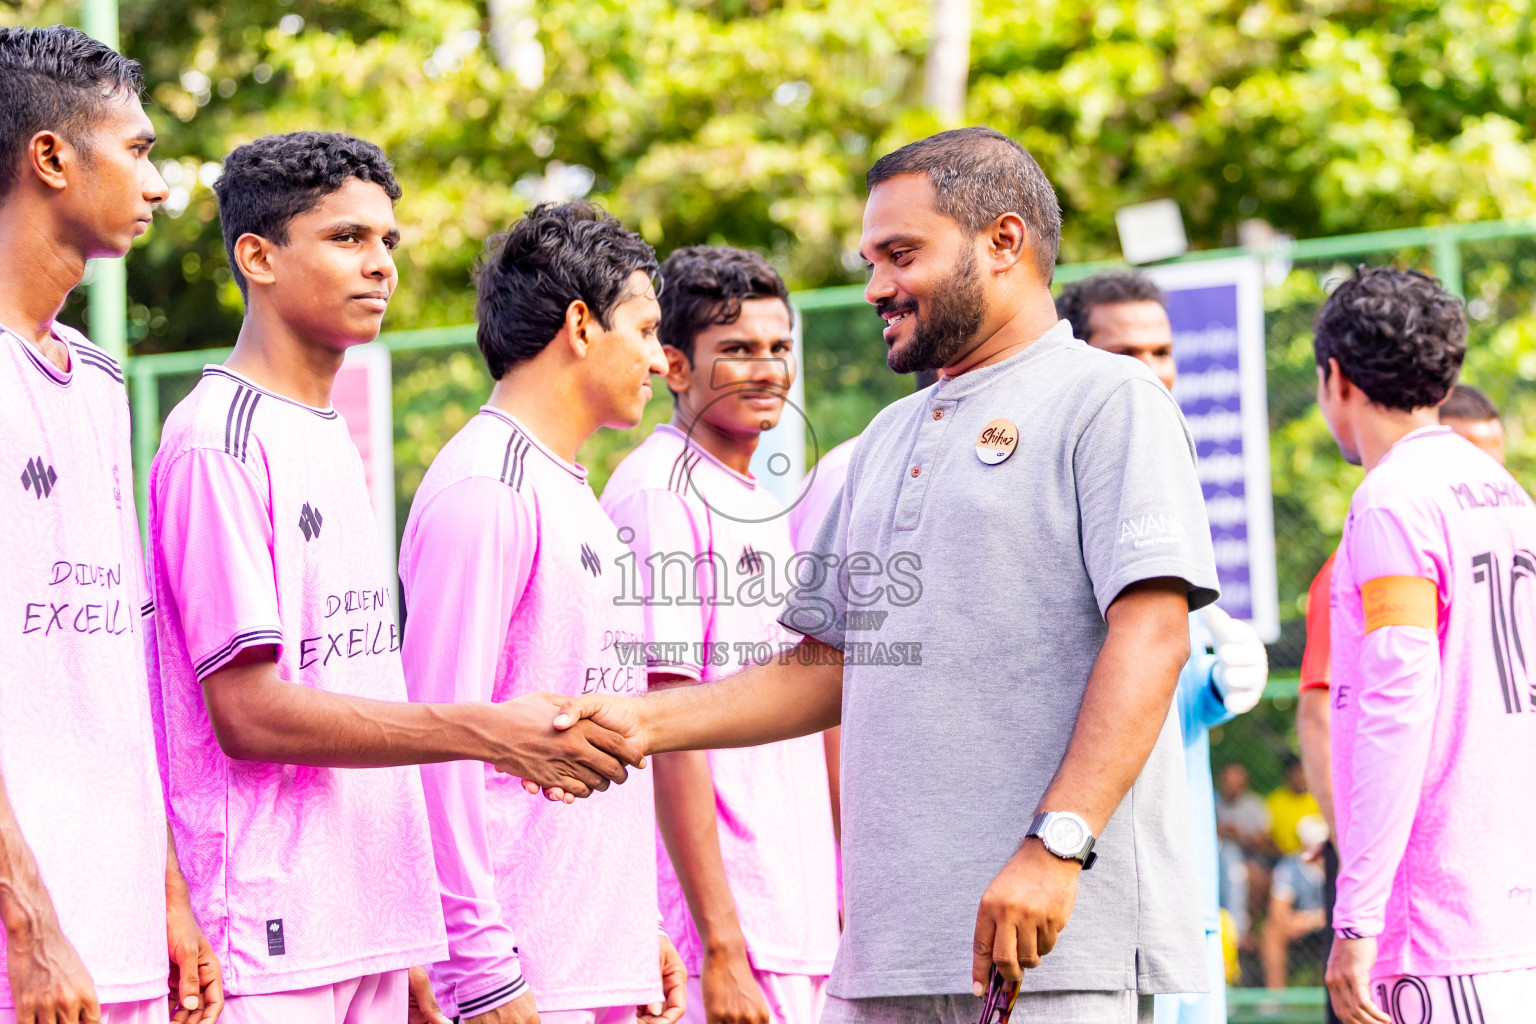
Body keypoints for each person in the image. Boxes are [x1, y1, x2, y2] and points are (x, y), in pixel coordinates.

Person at [550, 126, 1221, 1024]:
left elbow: (1155, 634)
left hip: (1054, 947)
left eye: (901, 255)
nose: (876, 287)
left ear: (1005, 242)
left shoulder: (1110, 401)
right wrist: (643, 721)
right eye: (871, 259)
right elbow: (825, 667)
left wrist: (1055, 848)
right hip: (881, 958)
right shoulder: (886, 442)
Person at [144, 135, 643, 1024]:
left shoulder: (326, 433)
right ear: (256, 256)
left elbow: (356, 689)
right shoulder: (216, 441)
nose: (379, 265)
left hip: (373, 929)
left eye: (387, 242)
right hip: (268, 940)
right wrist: (487, 733)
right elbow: (249, 714)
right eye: (346, 239)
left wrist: (414, 943)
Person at [398, 200, 686, 1024]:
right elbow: (437, 742)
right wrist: (479, 970)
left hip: (588, 965)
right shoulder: (488, 488)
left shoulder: (565, 486)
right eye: (643, 329)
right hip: (517, 978)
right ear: (581, 325)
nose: (661, 361)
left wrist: (635, 931)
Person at [0, 25, 223, 1024]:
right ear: (51, 157)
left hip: (122, 939)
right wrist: (30, 924)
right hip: (29, 952)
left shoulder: (96, 379)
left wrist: (167, 896)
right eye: (137, 150)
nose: (162, 183)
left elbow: (122, 673)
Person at [601, 246, 840, 1024]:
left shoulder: (763, 500)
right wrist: (719, 943)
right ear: (674, 366)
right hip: (718, 936)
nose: (767, 369)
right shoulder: (656, 493)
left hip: (797, 922)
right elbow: (663, 725)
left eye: (778, 349)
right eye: (736, 350)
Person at [1316, 266, 1536, 1022]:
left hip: (1435, 930)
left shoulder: (1391, 503)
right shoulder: (1507, 494)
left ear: (1335, 378)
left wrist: (1357, 920)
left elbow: (1396, 709)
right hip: (1510, 917)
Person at [1057, 270, 1270, 1024]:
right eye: (1127, 353)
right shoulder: (1058, 481)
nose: (1151, 372)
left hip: (1184, 873)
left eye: (1162, 350)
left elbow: (1165, 682)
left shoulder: (1174, 474)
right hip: (1093, 877)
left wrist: (1217, 684)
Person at [1295, 378, 1506, 1024]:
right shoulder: (1379, 545)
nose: (1479, 472)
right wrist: (1351, 842)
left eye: (1492, 457)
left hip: (1477, 892)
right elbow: (1331, 712)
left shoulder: (1494, 532)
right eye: (1470, 450)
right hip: (1405, 891)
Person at [1260, 818, 1331, 991]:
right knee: (1271, 931)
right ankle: (1275, 999)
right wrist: (1311, 920)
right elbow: (1278, 914)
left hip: (1330, 926)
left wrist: (1317, 919)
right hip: (1300, 927)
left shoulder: (1337, 865)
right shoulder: (1289, 867)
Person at [1265, 756, 1321, 857]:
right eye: (1296, 774)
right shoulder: (1274, 802)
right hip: (1282, 858)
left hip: (1315, 856)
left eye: (1303, 772)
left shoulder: (1318, 799)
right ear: (1287, 776)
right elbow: (1267, 837)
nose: (1300, 778)